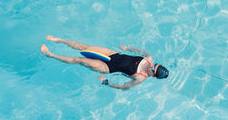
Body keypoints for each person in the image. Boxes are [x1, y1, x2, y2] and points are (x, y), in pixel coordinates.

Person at [40, 36, 169, 90]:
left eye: (153, 69)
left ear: (153, 76)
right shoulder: (149, 59)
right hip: (113, 54)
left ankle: (51, 55)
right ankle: (59, 40)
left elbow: (124, 87)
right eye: (155, 64)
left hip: (108, 67)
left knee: (80, 60)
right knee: (85, 47)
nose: (152, 66)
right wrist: (128, 48)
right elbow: (141, 51)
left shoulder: (140, 77)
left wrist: (106, 83)